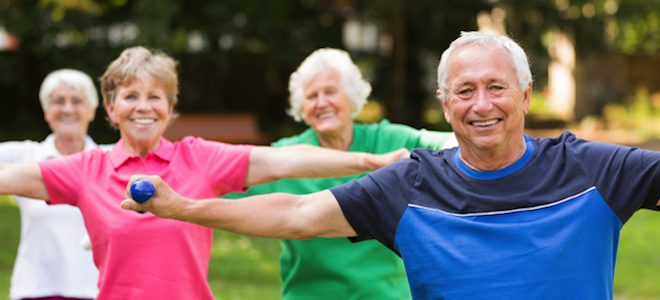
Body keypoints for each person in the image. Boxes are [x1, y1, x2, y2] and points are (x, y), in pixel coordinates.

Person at [121, 31, 660, 300]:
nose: (481, 104)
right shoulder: (411, 185)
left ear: (524, 95)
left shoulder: (593, 169)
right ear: (445, 103)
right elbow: (297, 213)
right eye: (465, 91)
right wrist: (182, 206)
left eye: (496, 88)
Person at [0, 46, 408, 300]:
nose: (144, 106)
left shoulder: (197, 158)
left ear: (170, 107)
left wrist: (369, 162)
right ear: (110, 109)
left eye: (155, 96)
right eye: (130, 96)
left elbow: (283, 160)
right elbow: (10, 177)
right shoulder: (86, 170)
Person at [229, 48, 455, 300]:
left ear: (351, 97)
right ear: (301, 107)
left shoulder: (388, 140)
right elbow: (223, 177)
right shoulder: (285, 157)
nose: (321, 102)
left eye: (330, 92)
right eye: (312, 95)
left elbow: (448, 142)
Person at [0, 69, 100, 300]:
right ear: (47, 112)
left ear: (92, 110)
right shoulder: (26, 154)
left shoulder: (108, 158)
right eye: (58, 101)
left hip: (96, 290)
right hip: (35, 290)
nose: (67, 108)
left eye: (77, 101)